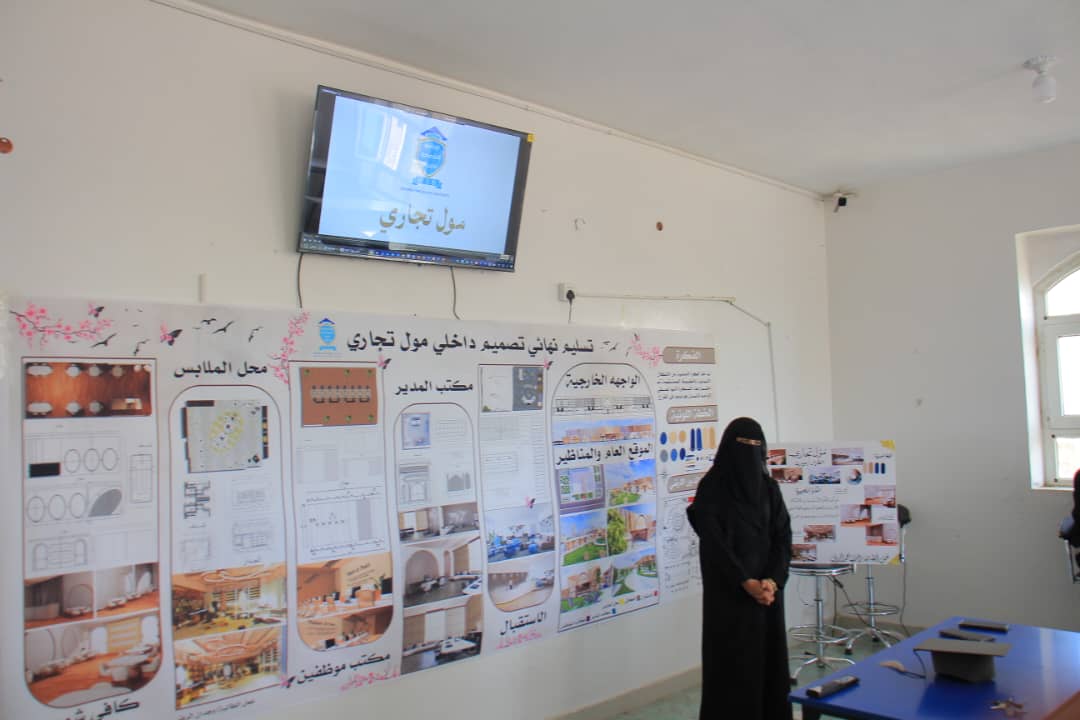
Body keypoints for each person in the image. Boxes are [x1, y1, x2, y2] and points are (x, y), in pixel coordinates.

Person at [687, 417, 793, 720]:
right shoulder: (712, 489)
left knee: (770, 665)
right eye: (743, 445)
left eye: (756, 445)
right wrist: (745, 581)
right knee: (734, 669)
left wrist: (772, 580)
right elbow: (715, 544)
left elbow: (783, 535)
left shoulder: (769, 488)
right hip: (730, 597)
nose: (750, 452)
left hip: (767, 595)